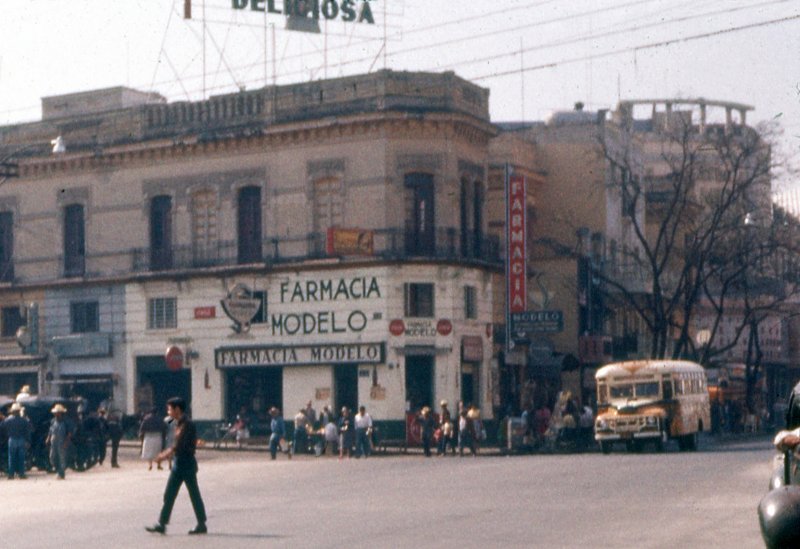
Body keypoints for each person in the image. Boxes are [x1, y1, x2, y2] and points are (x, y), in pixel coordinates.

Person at [145, 396, 207, 536]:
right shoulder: (178, 423)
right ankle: (162, 523)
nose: (168, 411)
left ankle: (201, 523)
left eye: (169, 408)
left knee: (194, 494)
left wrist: (163, 455)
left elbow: (178, 445)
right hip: (179, 464)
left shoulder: (187, 424)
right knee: (169, 494)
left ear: (177, 409)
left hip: (186, 464)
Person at [1, 402, 32, 479]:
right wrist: (28, 441)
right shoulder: (24, 420)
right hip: (21, 439)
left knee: (11, 458)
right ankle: (21, 474)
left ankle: (11, 474)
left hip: (12, 439)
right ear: (19, 411)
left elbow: (2, 427)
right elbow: (27, 431)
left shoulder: (8, 420)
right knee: (21, 458)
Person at [47, 403, 74, 479]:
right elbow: (50, 430)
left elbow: (69, 433)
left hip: (62, 442)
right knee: (52, 457)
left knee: (62, 458)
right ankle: (57, 469)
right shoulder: (53, 421)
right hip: (53, 441)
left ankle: (61, 473)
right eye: (55, 413)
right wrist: (48, 438)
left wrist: (66, 442)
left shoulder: (66, 422)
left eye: (57, 413)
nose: (56, 414)